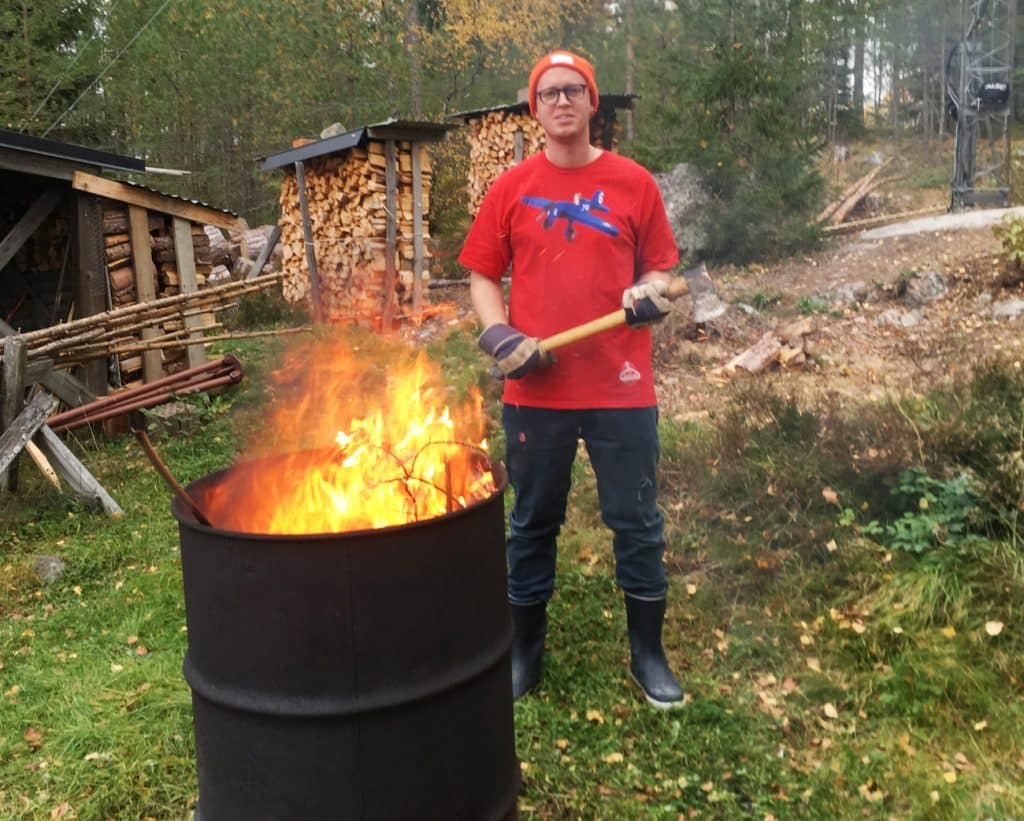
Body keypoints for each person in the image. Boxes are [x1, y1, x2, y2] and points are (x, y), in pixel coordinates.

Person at [458, 50, 684, 709]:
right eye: (550, 92)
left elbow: (663, 272)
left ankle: (649, 652)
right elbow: (481, 275)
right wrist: (500, 334)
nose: (562, 101)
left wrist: (647, 294)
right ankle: (524, 648)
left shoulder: (634, 183)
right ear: (535, 107)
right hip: (536, 394)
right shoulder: (510, 188)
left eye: (574, 90)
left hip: (622, 387)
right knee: (531, 521)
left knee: (637, 520)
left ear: (592, 103)